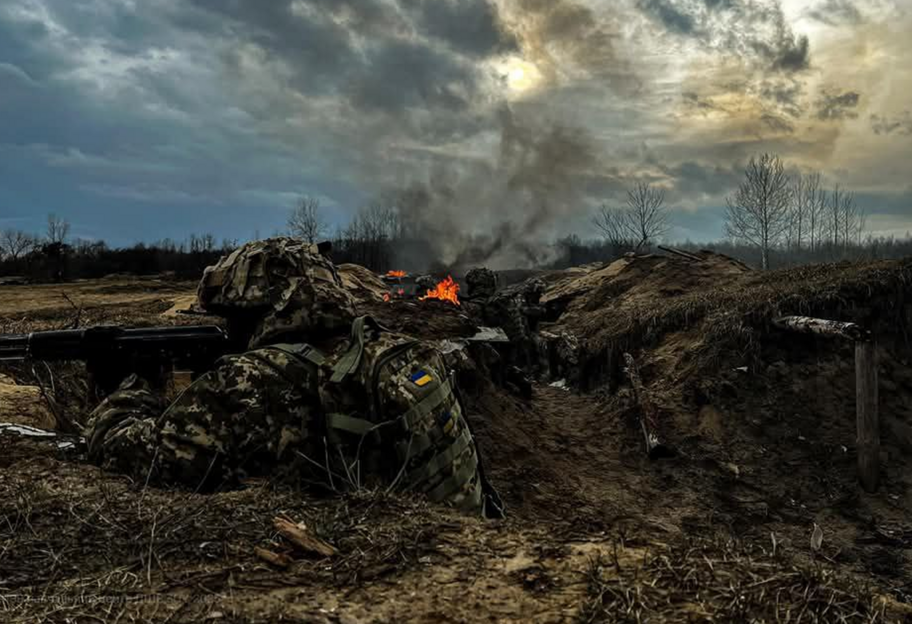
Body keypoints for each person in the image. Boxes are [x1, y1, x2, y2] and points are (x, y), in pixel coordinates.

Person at [85, 238, 497, 516]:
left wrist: (133, 387)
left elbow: (131, 452)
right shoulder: (392, 349)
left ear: (257, 310)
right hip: (455, 534)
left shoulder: (251, 380)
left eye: (232, 317)